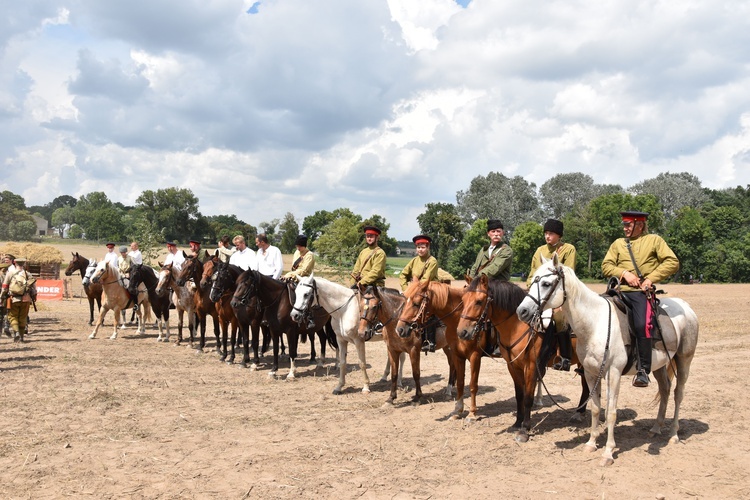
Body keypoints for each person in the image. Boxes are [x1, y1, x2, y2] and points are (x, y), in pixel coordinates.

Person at [602, 210, 679, 388]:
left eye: (628, 224)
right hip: (618, 291)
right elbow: (606, 265)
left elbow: (671, 261)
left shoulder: (654, 240)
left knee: (641, 324)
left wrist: (650, 279)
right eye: (624, 224)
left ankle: (643, 370)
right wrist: (624, 273)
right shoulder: (618, 244)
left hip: (640, 293)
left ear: (640, 224)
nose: (625, 228)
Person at [527, 219, 577, 371]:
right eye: (546, 233)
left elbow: (569, 276)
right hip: (539, 295)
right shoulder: (539, 250)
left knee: (559, 319)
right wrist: (530, 290)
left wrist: (560, 304)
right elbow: (532, 275)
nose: (547, 236)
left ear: (559, 235)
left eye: (551, 233)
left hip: (560, 296)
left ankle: (565, 357)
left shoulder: (568, 249)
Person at [469, 219, 513, 356]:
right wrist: (470, 281)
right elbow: (475, 267)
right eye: (493, 231)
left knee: (496, 313)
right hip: (482, 284)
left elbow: (494, 269)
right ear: (488, 234)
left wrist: (477, 279)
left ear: (503, 233)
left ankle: (499, 344)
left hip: (500, 287)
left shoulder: (506, 251)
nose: (496, 234)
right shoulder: (483, 250)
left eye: (498, 231)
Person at [399, 234, 440, 352]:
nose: (420, 250)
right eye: (418, 247)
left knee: (429, 313)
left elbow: (426, 280)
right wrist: (407, 289)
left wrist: (413, 288)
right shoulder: (414, 260)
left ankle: (430, 341)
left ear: (428, 248)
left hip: (430, 289)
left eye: (423, 247)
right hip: (414, 291)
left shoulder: (432, 261)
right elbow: (403, 275)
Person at [0, 257, 37, 343]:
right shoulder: (28, 274)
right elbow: (34, 289)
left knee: (13, 316)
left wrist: (2, 296)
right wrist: (33, 299)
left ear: (15, 263)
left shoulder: (10, 273)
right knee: (23, 317)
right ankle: (21, 337)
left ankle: (16, 332)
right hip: (26, 299)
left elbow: (5, 287)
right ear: (24, 264)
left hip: (13, 299)